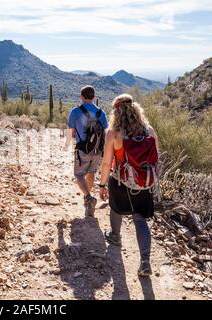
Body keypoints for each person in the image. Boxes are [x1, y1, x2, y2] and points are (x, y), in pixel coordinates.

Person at [97, 94, 160, 277]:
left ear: (116, 112)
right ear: (135, 110)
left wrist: (102, 185)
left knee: (116, 209)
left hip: (121, 181)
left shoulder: (113, 133)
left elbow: (107, 163)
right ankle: (145, 261)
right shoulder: (149, 131)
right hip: (144, 182)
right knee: (140, 219)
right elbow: (156, 157)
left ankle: (115, 236)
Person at [64, 85, 108, 217]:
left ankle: (89, 198)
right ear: (94, 97)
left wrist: (67, 144)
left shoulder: (75, 111)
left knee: (78, 175)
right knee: (91, 172)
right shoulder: (101, 113)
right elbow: (106, 132)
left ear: (82, 97)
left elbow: (70, 131)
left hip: (83, 148)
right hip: (97, 150)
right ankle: (87, 201)